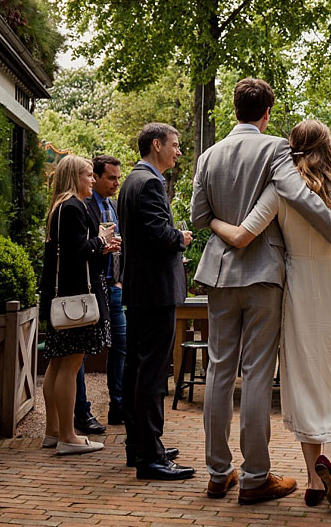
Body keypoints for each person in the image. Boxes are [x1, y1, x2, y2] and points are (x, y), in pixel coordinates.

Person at [191, 78, 331, 505]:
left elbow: (198, 215)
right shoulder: (275, 148)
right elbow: (300, 196)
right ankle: (254, 477)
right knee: (258, 371)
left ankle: (216, 472)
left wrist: (221, 230)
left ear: (234, 108)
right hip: (263, 274)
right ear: (267, 112)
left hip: (218, 275)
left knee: (219, 370)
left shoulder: (208, 156)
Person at [118, 123, 194, 480]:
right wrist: (181, 236)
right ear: (156, 144)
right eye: (175, 146)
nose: (178, 152)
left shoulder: (131, 180)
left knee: (136, 367)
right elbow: (158, 235)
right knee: (152, 372)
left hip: (140, 289)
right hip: (156, 290)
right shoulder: (150, 183)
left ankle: (140, 445)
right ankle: (151, 456)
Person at [38, 154, 118, 455]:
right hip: (76, 300)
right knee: (70, 366)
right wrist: (101, 240)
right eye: (88, 174)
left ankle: (53, 431)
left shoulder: (59, 208)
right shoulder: (73, 207)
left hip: (61, 297)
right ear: (75, 177)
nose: (93, 179)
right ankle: (68, 436)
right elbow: (78, 252)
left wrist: (98, 244)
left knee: (57, 364)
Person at [74, 155, 125, 435]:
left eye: (118, 178)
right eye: (111, 178)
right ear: (95, 176)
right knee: (80, 352)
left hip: (113, 288)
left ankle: (118, 406)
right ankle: (81, 411)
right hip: (91, 289)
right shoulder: (82, 206)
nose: (116, 183)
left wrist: (119, 281)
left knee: (120, 346)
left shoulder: (115, 207)